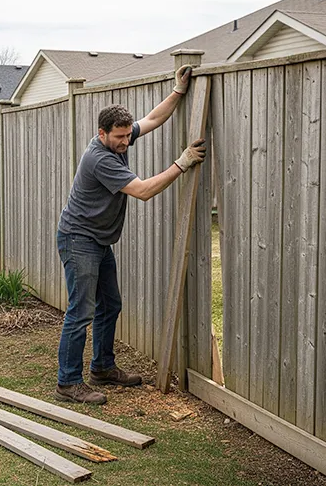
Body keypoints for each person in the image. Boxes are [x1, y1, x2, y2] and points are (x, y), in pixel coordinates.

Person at [54, 64, 207, 404]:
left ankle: (103, 368)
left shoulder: (118, 140)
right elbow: (143, 191)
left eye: (128, 135)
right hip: (79, 239)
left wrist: (178, 91)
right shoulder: (100, 159)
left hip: (96, 239)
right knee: (81, 311)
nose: (126, 141)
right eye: (120, 137)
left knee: (111, 305)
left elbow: (153, 119)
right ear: (102, 133)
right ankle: (68, 382)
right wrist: (182, 163)